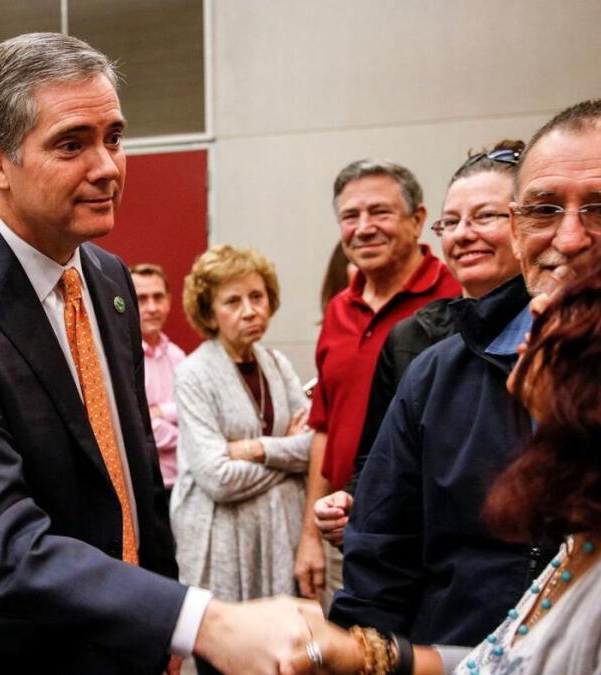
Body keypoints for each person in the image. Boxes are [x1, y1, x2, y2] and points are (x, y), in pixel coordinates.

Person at [0, 33, 304, 675]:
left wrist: (162, 631)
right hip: (0, 656)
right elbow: (0, 542)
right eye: (72, 143)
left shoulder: (107, 278)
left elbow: (132, 477)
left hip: (115, 640)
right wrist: (196, 620)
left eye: (115, 137)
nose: (107, 166)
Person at [284, 194, 601, 675]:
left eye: (575, 304)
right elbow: (512, 662)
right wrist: (364, 652)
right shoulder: (599, 531)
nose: (535, 314)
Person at [328, 99, 601, 646]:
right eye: (543, 210)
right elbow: (378, 576)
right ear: (517, 229)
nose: (569, 239)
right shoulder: (436, 378)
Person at [316, 140, 525, 543]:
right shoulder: (407, 332)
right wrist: (351, 503)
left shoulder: (554, 329)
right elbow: (372, 453)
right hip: (401, 543)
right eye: (453, 222)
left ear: (416, 221)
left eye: (485, 216)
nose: (364, 227)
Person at [296, 160, 461, 603]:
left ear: (418, 220)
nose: (364, 228)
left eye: (380, 212)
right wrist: (311, 536)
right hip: (344, 536)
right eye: (351, 216)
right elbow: (324, 429)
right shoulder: (339, 311)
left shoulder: (456, 300)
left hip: (425, 543)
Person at [169, 245, 312, 627]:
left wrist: (254, 449)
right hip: (224, 540)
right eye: (232, 301)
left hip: (279, 534)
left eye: (257, 297)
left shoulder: (277, 364)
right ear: (209, 313)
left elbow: (314, 448)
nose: (249, 310)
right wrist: (287, 459)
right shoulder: (194, 373)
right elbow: (218, 478)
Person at [131, 263, 186, 491]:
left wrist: (161, 411)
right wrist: (191, 438)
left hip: (185, 485)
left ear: (169, 301)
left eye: (158, 297)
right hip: (148, 488)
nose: (152, 307)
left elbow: (196, 411)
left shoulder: (178, 356)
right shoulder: (123, 360)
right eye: (142, 299)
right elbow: (140, 426)